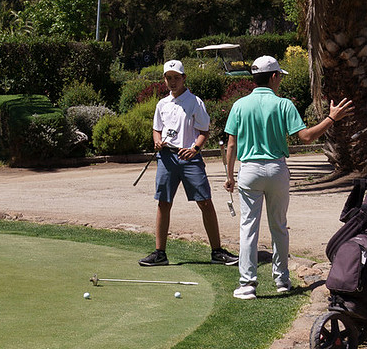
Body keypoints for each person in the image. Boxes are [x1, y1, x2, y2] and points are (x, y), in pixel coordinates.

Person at [223, 55, 353, 300]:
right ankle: (282, 280)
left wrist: (230, 176)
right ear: (273, 76)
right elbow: (306, 137)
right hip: (276, 168)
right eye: (279, 76)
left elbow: (231, 144)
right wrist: (331, 118)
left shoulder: (239, 105)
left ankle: (247, 283)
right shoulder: (283, 104)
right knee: (279, 227)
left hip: (249, 170)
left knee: (248, 228)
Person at [139, 60, 240, 267]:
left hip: (190, 158)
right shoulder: (162, 104)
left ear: (184, 78)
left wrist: (195, 149)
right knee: (163, 203)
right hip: (166, 158)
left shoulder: (195, 102)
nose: (172, 82)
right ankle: (160, 253)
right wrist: (157, 141)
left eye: (176, 77)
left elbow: (204, 131)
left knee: (205, 202)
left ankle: (217, 251)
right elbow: (157, 128)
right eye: (169, 78)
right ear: (164, 79)